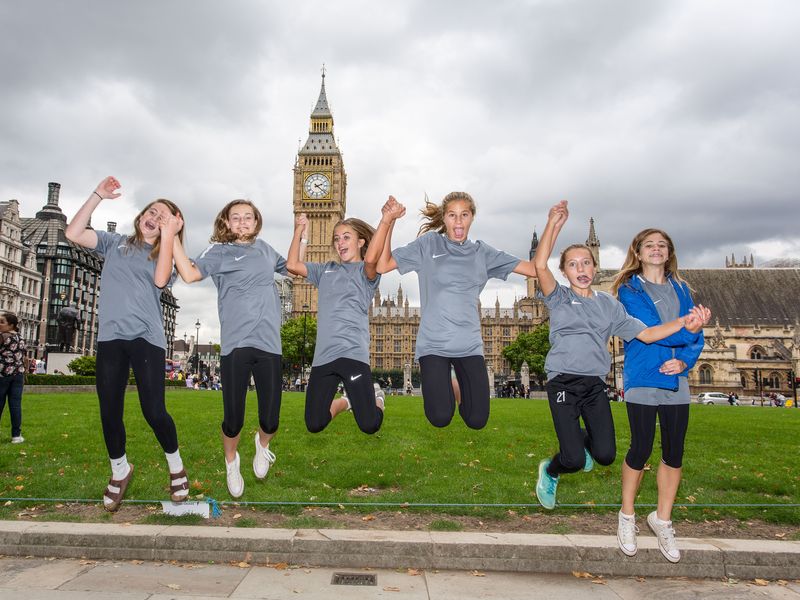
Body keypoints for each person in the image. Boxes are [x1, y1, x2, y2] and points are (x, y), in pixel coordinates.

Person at [531, 201, 708, 515]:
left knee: (606, 455)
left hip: (594, 384)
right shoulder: (558, 298)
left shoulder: (610, 305)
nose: (581, 269)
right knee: (572, 458)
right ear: (564, 271)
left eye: (587, 263)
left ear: (595, 266)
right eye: (573, 264)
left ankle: (578, 442)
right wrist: (553, 224)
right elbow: (540, 265)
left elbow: (648, 334)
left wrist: (685, 322)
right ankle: (552, 469)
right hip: (562, 381)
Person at [65, 176, 190, 512]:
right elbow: (73, 233)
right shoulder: (114, 242)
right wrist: (97, 196)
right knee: (109, 410)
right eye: (152, 211)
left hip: (146, 339)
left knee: (154, 410)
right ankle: (119, 469)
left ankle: (176, 466)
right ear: (140, 215)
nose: (154, 216)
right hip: (110, 338)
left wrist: (168, 237)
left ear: (172, 228)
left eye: (163, 217)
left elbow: (161, 279)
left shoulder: (165, 255)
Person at [376, 191, 538, 429]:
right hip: (434, 344)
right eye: (452, 215)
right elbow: (382, 264)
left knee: (477, 420)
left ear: (472, 217)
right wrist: (388, 221)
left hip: (469, 345)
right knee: (440, 417)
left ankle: (455, 385)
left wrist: (553, 226)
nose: (458, 221)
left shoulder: (483, 253)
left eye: (464, 214)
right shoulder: (429, 244)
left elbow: (535, 269)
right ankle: (450, 384)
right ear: (444, 218)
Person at [171, 199, 290, 499]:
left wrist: (300, 230)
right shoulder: (218, 252)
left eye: (247, 217)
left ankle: (262, 445)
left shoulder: (265, 250)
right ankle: (231, 462)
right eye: (235, 217)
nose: (242, 221)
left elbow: (295, 267)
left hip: (269, 344)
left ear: (256, 221)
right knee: (233, 417)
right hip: (236, 344)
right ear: (225, 222)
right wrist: (171, 236)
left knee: (271, 419)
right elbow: (189, 274)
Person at [612, 228, 711, 563]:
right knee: (640, 447)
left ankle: (662, 519)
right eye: (649, 245)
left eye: (662, 245)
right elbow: (649, 330)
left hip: (676, 379)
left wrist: (686, 357)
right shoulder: (629, 290)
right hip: (642, 376)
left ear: (669, 253)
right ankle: (627, 515)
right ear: (637, 253)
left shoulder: (682, 289)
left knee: (674, 451)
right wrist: (689, 325)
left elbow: (695, 339)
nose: (656, 249)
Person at [286, 200, 400, 434]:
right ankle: (346, 402)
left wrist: (387, 220)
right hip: (324, 358)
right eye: (337, 239)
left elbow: (371, 259)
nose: (340, 243)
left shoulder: (368, 273)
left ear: (360, 242)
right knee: (314, 423)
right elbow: (292, 265)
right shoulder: (325, 270)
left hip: (352, 354)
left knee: (369, 424)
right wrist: (300, 231)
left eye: (346, 237)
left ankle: (377, 396)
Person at [0, 312, 26, 443]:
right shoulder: (20, 338)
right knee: (15, 405)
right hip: (18, 375)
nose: (0, 324)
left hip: (3, 374)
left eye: (2, 322)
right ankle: (16, 435)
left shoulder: (2, 336)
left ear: (11, 325)